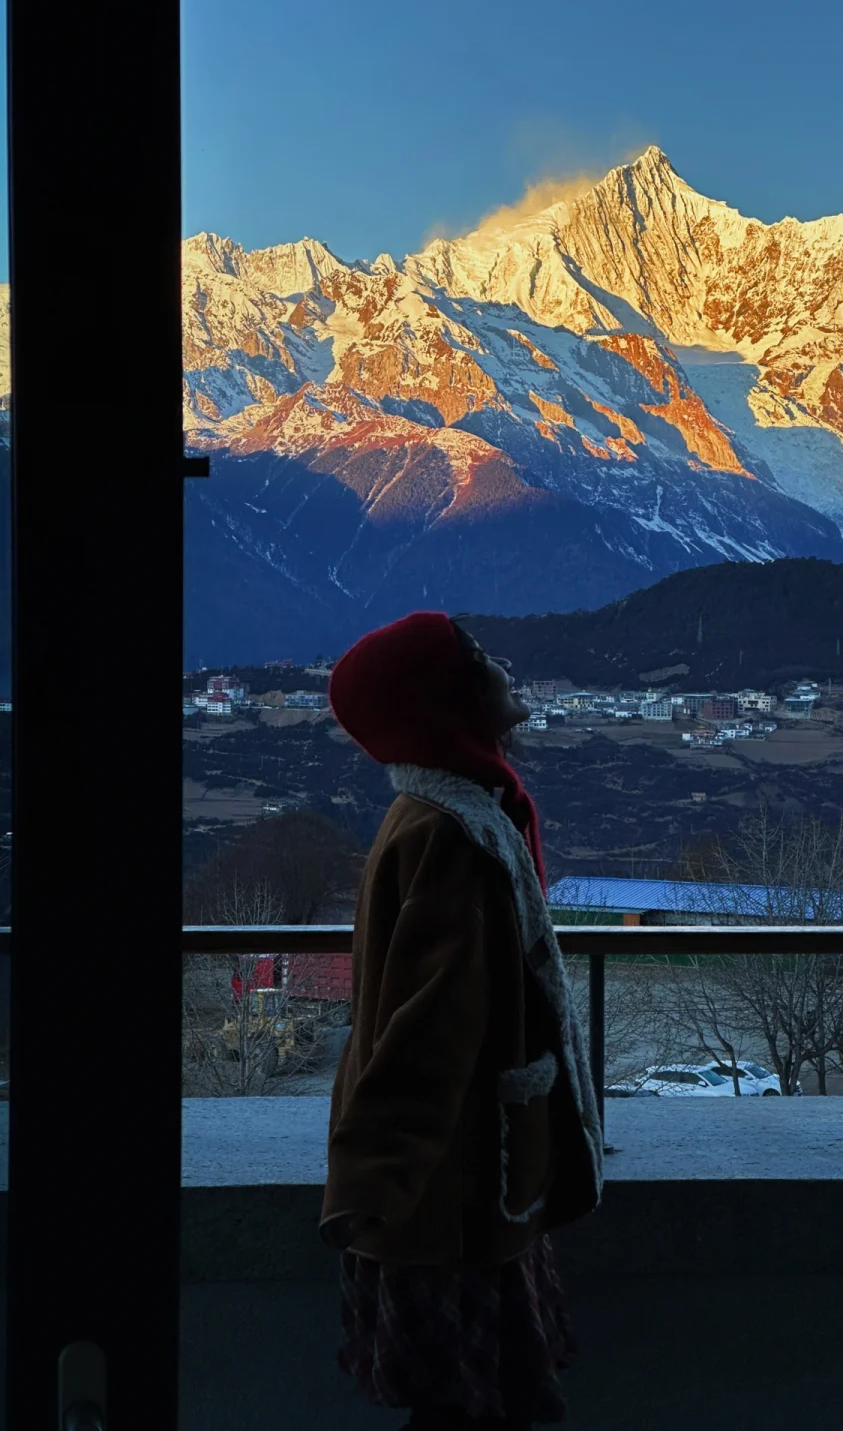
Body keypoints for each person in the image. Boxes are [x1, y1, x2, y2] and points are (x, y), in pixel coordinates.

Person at [319, 611, 605, 1430]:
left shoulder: (441, 814)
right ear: (446, 699)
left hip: (466, 1181)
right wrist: (375, 1176)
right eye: (476, 657)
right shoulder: (456, 833)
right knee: (468, 1410)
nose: (500, 663)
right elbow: (429, 1022)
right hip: (459, 1193)